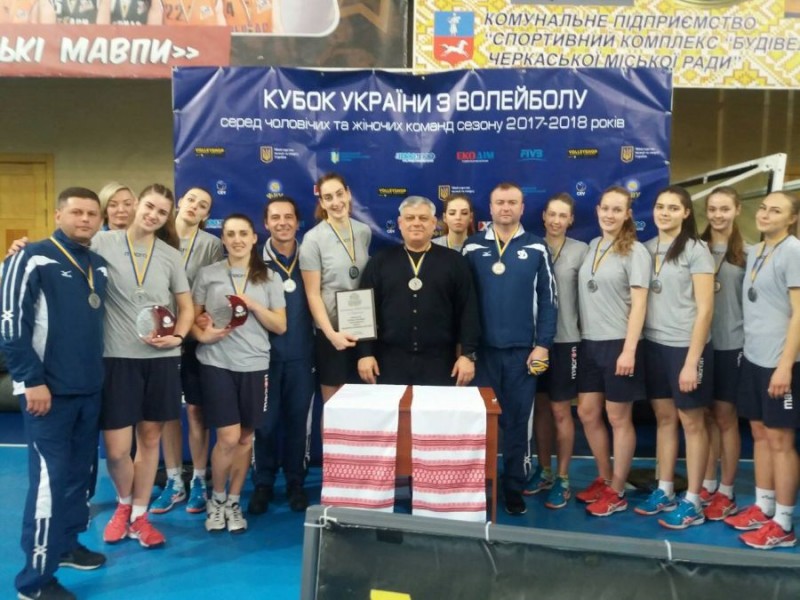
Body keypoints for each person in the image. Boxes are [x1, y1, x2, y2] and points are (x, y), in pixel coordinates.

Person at [2, 188, 109, 600]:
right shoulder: (30, 257)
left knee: (79, 476)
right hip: (48, 393)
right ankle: (35, 581)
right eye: (77, 212)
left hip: (88, 389)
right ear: (58, 214)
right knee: (49, 482)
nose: (85, 219)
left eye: (92, 214)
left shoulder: (97, 265)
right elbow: (11, 325)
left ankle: (65, 546)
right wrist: (31, 380)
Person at [96, 184, 194, 548]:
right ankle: (123, 503)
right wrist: (22, 250)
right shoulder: (103, 243)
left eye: (162, 212)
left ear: (168, 217)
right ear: (137, 204)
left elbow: (186, 307)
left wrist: (179, 337)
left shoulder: (170, 255)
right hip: (117, 358)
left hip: (161, 360)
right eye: (150, 206)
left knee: (150, 439)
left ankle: (139, 515)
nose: (153, 215)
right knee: (117, 449)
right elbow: (63, 254)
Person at [463, 182, 557, 516]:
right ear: (490, 208)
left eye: (512, 202)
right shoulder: (472, 246)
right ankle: (480, 484)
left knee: (518, 423)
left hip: (523, 354)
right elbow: (463, 301)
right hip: (483, 353)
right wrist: (466, 350)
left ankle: (514, 486)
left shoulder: (537, 247)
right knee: (481, 423)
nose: (506, 208)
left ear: (522, 207)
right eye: (500, 202)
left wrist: (543, 345)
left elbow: (549, 300)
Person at [192, 214, 287, 533]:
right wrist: (203, 334)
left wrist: (254, 306)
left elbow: (280, 325)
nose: (237, 240)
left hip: (255, 364)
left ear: (254, 238)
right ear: (223, 239)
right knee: (228, 437)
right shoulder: (208, 274)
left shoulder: (269, 277)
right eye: (230, 234)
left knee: (246, 438)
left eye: (243, 233)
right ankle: (216, 500)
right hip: (216, 362)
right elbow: (192, 319)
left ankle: (234, 502)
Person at [636, 185, 715, 530]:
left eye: (672, 208)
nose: (664, 213)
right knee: (665, 418)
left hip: (686, 346)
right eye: (660, 206)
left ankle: (694, 501)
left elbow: (706, 309)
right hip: (654, 344)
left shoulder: (696, 250)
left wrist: (691, 360)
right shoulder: (646, 248)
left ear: (686, 213)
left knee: (692, 422)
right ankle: (665, 489)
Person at [573, 186, 650, 517]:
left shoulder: (636, 251)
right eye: (606, 208)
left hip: (620, 342)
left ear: (628, 214)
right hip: (589, 342)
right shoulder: (593, 245)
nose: (609, 214)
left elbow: (640, 304)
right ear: (597, 210)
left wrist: (629, 350)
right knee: (587, 413)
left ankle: (617, 490)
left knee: (618, 417)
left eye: (617, 210)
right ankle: (605, 478)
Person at [729, 191, 800, 550]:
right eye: (763, 208)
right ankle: (764, 506)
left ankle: (784, 524)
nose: (766, 214)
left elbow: (799, 313)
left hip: (781, 363)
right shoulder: (756, 252)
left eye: (776, 211)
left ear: (791, 219)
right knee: (758, 434)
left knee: (780, 441)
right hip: (754, 358)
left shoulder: (794, 252)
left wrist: (785, 366)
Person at [152, 187, 224, 516]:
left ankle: (198, 479)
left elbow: (212, 291)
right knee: (167, 411)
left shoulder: (211, 245)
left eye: (203, 205)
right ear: (180, 202)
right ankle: (173, 480)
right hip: (158, 335)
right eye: (192, 200)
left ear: (207, 215)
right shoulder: (156, 236)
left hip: (192, 336)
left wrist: (198, 322)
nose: (195, 206)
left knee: (196, 410)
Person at [357, 195, 479, 386]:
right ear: (400, 223)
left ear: (433, 223)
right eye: (410, 218)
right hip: (389, 362)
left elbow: (468, 311)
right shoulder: (380, 262)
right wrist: (365, 354)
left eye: (423, 218)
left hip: (441, 363)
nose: (416, 223)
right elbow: (364, 311)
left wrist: (467, 355)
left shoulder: (454, 262)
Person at [250, 196, 315, 515]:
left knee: (297, 423)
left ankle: (295, 482)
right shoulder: (253, 261)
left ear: (298, 222)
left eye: (288, 217)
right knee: (263, 424)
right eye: (275, 217)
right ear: (266, 224)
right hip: (264, 359)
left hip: (302, 356)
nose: (282, 223)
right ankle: (263, 483)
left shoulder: (311, 258)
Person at [525, 193, 588, 509]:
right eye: (552, 214)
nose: (556, 220)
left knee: (562, 410)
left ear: (571, 219)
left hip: (565, 342)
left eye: (563, 215)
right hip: (535, 343)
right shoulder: (530, 247)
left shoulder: (581, 251)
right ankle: (544, 469)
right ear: (544, 216)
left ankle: (563, 477)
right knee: (540, 408)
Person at [300, 172, 371, 403]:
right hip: (331, 333)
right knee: (333, 405)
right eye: (328, 197)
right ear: (322, 203)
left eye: (339, 194)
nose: (336, 202)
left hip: (362, 330)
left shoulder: (363, 231)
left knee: (360, 401)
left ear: (348, 194)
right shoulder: (313, 239)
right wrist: (331, 335)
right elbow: (312, 294)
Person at [698, 186, 746, 521]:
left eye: (724, 209)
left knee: (726, 418)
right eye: (713, 209)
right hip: (701, 345)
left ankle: (727, 491)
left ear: (737, 210)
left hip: (731, 345)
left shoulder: (748, 254)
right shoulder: (695, 249)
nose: (717, 215)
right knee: (705, 417)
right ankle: (707, 482)